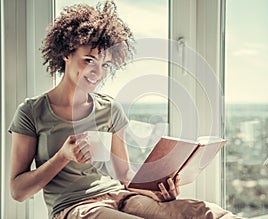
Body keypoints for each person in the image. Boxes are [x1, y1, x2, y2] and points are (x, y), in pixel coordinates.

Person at [9, 1, 242, 219]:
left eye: (105, 65)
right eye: (89, 60)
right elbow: (18, 191)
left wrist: (156, 190)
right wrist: (62, 157)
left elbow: (124, 176)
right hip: (75, 207)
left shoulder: (110, 109)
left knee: (205, 212)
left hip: (121, 196)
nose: (97, 73)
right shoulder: (32, 112)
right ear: (66, 53)